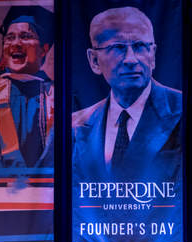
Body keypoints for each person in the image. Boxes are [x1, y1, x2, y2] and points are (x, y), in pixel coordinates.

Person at [72, 7, 182, 181]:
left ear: (152, 54)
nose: (131, 59)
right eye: (118, 47)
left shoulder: (184, 110)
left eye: (140, 46)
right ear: (94, 60)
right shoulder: (75, 126)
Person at [0, 5, 54, 169]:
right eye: (9, 38)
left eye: (26, 36)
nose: (16, 43)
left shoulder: (58, 97)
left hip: (49, 191)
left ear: (44, 49)